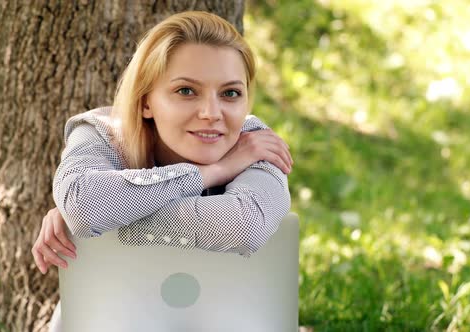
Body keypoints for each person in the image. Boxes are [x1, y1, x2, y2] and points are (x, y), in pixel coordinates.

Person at [31, 11, 293, 331]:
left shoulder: (255, 141)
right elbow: (85, 205)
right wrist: (213, 171)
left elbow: (244, 225)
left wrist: (106, 214)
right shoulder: (101, 133)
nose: (212, 113)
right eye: (186, 91)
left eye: (230, 93)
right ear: (145, 102)